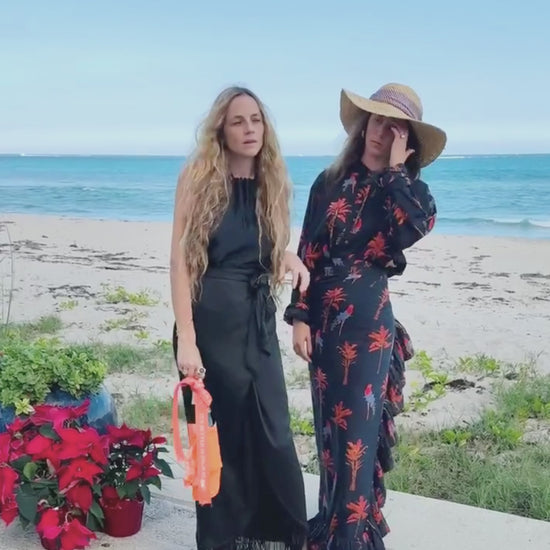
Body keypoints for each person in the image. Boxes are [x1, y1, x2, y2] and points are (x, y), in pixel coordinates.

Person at [285, 83, 446, 549]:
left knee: (358, 438)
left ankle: (352, 538)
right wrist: (300, 316)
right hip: (323, 322)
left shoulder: (409, 192)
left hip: (369, 326)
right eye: (377, 120)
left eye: (394, 128)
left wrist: (395, 170)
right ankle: (332, 526)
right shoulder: (329, 181)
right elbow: (308, 252)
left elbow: (416, 227)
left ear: (405, 139)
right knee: (330, 437)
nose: (381, 132)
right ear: (363, 124)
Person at [170, 86, 309, 550]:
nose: (249, 129)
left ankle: (272, 537)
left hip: (257, 322)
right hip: (210, 325)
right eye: (238, 121)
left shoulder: (272, 181)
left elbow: (260, 247)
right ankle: (223, 540)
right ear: (221, 130)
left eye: (256, 120)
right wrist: (187, 339)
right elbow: (180, 263)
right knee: (221, 440)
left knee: (274, 433)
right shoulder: (198, 177)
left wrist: (285, 255)